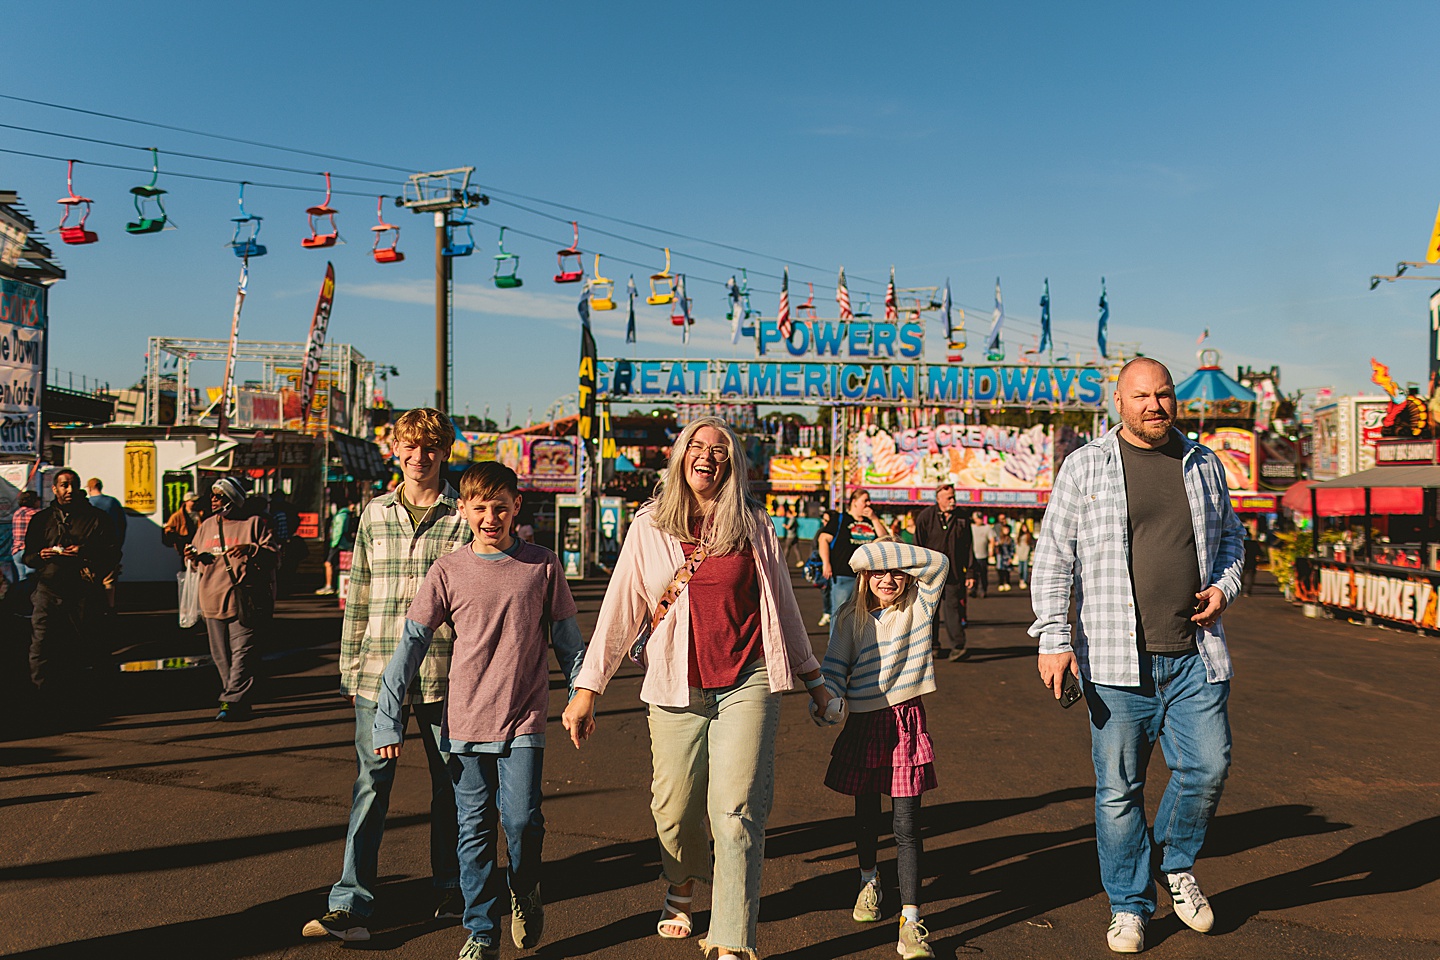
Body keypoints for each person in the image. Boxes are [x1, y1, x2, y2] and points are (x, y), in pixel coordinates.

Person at [561, 416, 831, 960]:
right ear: (681, 455)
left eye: (720, 449)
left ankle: (731, 938)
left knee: (736, 812)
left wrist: (814, 679)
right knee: (675, 810)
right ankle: (681, 884)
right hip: (674, 684)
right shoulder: (649, 524)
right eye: (697, 446)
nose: (707, 456)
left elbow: (782, 605)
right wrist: (588, 688)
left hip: (748, 678)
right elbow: (620, 608)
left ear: (732, 464)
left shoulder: (754, 523)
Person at [1029, 357, 1244, 954]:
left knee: (1208, 766)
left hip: (1195, 655)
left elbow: (1231, 538)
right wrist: (1054, 639)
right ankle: (1128, 905)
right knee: (1119, 790)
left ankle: (1175, 865)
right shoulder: (1085, 465)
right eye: (1142, 395)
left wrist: (1223, 588)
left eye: (1164, 394)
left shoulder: (1204, 463)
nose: (1155, 405)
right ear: (1119, 401)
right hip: (1115, 662)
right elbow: (1054, 556)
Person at [373, 461, 585, 958]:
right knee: (473, 830)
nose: (491, 517)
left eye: (501, 507)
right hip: (465, 721)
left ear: (516, 507)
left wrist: (581, 694)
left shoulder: (542, 565)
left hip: (524, 716)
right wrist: (388, 716)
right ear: (464, 509)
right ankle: (481, 932)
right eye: (480, 507)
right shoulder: (447, 570)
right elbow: (410, 646)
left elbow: (569, 642)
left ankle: (525, 888)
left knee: (522, 821)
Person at [304, 408, 471, 943]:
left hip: (446, 673)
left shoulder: (463, 516)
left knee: (453, 785)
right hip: (378, 672)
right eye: (410, 446)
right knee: (370, 786)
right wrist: (350, 668)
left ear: (445, 451)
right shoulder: (374, 513)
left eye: (431, 447)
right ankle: (350, 902)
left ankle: (452, 885)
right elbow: (358, 593)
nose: (420, 457)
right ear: (395, 449)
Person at [821, 539, 949, 960]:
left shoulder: (920, 606)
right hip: (863, 722)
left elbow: (938, 562)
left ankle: (910, 920)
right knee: (866, 816)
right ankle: (868, 881)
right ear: (864, 577)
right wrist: (828, 701)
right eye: (878, 572)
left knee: (906, 824)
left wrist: (870, 557)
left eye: (896, 572)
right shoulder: (850, 617)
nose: (888, 579)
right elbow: (834, 668)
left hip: (906, 720)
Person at [24, 469, 120, 713]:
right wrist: (41, 555)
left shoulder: (97, 518)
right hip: (48, 588)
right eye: (64, 485)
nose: (69, 490)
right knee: (41, 644)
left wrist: (84, 552)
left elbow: (113, 553)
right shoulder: (42, 519)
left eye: (73, 485)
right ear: (54, 489)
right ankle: (41, 698)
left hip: (83, 590)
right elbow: (28, 556)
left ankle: (84, 701)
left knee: (84, 645)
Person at [186, 477, 277, 722]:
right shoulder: (206, 526)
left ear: (233, 499)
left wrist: (251, 549)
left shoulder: (253, 524)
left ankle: (230, 700)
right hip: (210, 598)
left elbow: (273, 557)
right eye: (212, 496)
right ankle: (238, 698)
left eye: (219, 496)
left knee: (242, 653)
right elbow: (195, 560)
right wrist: (192, 557)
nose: (214, 500)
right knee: (221, 656)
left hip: (243, 599)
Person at [913, 484, 975, 661]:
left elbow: (968, 547)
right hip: (930, 575)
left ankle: (958, 647)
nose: (953, 501)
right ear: (938, 499)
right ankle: (932, 646)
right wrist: (917, 572)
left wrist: (970, 573)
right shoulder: (926, 517)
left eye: (953, 497)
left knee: (953, 610)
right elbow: (918, 545)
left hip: (953, 574)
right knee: (930, 612)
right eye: (949, 498)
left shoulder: (962, 518)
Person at [819, 489, 891, 634]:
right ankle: (837, 645)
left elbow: (886, 541)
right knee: (841, 614)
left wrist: (874, 519)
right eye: (865, 500)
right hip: (844, 574)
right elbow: (823, 539)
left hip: (868, 576)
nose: (868, 504)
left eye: (869, 500)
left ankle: (859, 645)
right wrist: (826, 563)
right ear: (854, 502)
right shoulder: (840, 519)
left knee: (866, 615)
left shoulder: (871, 521)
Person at [86, 477, 126, 610]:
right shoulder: (113, 502)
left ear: (89, 488)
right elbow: (122, 525)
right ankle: (110, 607)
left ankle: (93, 607)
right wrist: (119, 544)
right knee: (109, 580)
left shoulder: (87, 503)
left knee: (91, 579)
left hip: (90, 548)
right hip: (111, 547)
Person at [317, 498, 356, 596]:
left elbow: (338, 531)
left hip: (338, 544)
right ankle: (339, 587)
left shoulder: (340, 516)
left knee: (328, 563)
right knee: (341, 566)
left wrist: (333, 543)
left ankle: (329, 585)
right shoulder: (348, 515)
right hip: (346, 544)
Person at [161, 491, 203, 561]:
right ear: (186, 502)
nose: (195, 503)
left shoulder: (199, 514)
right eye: (193, 501)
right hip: (182, 545)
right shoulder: (176, 516)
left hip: (196, 542)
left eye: (196, 501)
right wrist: (177, 538)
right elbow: (168, 529)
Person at [814, 508, 837, 627]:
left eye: (826, 520)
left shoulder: (838, 532)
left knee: (833, 593)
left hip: (836, 569)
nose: (824, 522)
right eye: (823, 519)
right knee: (825, 591)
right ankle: (827, 612)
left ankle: (830, 613)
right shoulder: (821, 532)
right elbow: (814, 549)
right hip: (822, 567)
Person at [11, 490, 39, 580]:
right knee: (32, 579)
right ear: (33, 501)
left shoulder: (17, 513)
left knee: (22, 579)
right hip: (29, 551)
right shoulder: (36, 514)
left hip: (16, 550)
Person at [969, 513, 993, 598]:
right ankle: (973, 590)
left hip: (983, 555)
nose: (980, 520)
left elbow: (992, 539)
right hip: (973, 555)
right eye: (978, 518)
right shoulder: (971, 527)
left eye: (981, 518)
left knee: (983, 573)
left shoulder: (987, 528)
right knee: (973, 574)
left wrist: (991, 550)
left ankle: (983, 589)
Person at [780, 502, 802, 567]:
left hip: (790, 536)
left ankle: (784, 561)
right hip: (794, 535)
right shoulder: (793, 519)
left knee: (787, 549)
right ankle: (800, 561)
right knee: (796, 549)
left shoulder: (792, 519)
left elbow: (788, 527)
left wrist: (784, 526)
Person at [994, 527, 1015, 592]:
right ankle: (1001, 583)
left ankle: (1007, 583)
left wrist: (1011, 557)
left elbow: (1012, 549)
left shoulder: (1010, 539)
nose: (1006, 531)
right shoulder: (998, 539)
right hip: (1000, 557)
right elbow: (995, 548)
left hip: (1007, 557)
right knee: (1000, 571)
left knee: (1007, 571)